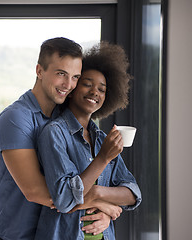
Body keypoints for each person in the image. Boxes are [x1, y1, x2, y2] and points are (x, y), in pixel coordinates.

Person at [35, 42, 142, 240]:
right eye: (87, 84)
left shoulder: (102, 139)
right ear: (73, 88)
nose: (95, 92)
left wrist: (99, 195)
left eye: (102, 89)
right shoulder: (54, 133)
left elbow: (132, 194)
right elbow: (64, 199)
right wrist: (103, 158)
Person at [0, 37, 83, 240]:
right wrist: (101, 201)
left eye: (75, 77)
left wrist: (103, 211)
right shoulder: (15, 118)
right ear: (39, 71)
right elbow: (35, 191)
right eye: (61, 74)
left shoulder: (65, 118)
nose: (68, 85)